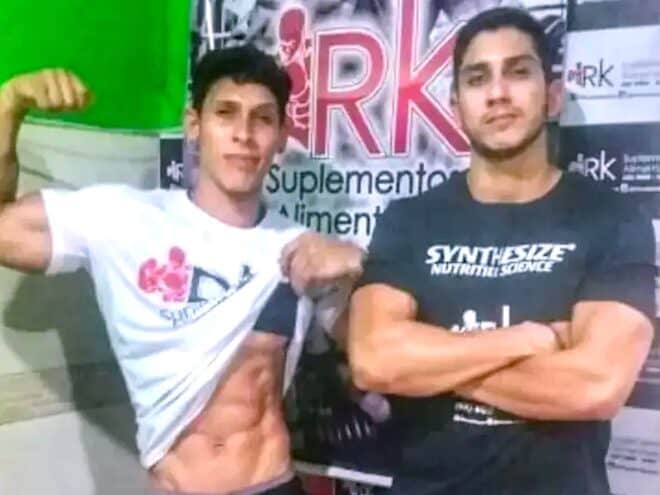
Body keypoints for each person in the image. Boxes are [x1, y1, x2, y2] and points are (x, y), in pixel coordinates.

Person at [0, 44, 364, 495]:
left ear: (281, 136)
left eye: (262, 119)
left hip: (272, 483)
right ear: (194, 125)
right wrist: (9, 104)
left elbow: (368, 356)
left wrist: (359, 265)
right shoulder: (122, 218)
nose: (243, 134)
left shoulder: (301, 248)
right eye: (225, 113)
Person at [348, 8, 655, 495]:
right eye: (477, 78)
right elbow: (374, 359)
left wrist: (427, 362)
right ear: (456, 106)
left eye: (518, 72)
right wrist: (527, 339)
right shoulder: (409, 220)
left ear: (553, 95)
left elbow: (594, 386)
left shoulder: (612, 219)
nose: (497, 93)